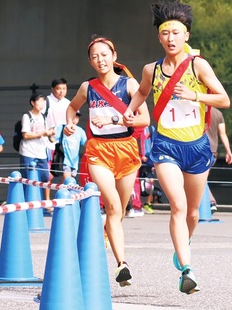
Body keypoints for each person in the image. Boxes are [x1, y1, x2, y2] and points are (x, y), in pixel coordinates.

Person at [123, 1, 230, 294]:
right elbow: (143, 92)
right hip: (166, 145)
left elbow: (224, 100)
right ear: (159, 37)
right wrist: (131, 110)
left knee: (193, 213)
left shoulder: (198, 65)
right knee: (178, 206)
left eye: (176, 32)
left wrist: (196, 95)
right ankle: (187, 270)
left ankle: (183, 243)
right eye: (165, 32)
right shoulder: (151, 70)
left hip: (197, 147)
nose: (171, 38)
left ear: (187, 36)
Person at [64, 35, 150, 287]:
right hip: (99, 151)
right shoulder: (86, 87)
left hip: (126, 149)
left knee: (120, 211)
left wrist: (120, 120)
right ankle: (122, 264)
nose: (100, 59)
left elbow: (145, 119)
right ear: (90, 61)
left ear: (114, 56)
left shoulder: (130, 85)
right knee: (112, 206)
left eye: (104, 54)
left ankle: (105, 235)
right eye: (94, 56)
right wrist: (70, 124)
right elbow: (72, 108)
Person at [19, 93, 56, 198]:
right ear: (32, 103)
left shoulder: (43, 116)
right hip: (28, 152)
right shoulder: (27, 116)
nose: (42, 104)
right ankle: (27, 202)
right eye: (39, 101)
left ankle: (37, 201)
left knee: (44, 176)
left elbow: (47, 133)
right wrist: (43, 133)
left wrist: (51, 135)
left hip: (41, 153)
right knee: (28, 179)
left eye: (44, 101)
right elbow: (25, 135)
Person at [43, 78, 71, 203]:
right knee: (48, 174)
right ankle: (47, 201)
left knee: (66, 172)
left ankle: (60, 198)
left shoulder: (68, 103)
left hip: (64, 142)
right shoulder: (46, 102)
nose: (61, 91)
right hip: (49, 142)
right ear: (52, 89)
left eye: (64, 88)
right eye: (58, 88)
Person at [206, 107, 232, 211]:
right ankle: (207, 203)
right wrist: (228, 151)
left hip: (199, 149)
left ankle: (211, 201)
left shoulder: (197, 108)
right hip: (212, 150)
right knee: (202, 178)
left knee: (200, 179)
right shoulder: (218, 113)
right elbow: (222, 133)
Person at [55, 110, 87, 182]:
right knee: (68, 181)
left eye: (76, 117)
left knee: (67, 183)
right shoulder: (63, 127)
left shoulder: (80, 131)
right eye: (72, 117)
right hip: (64, 160)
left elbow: (86, 144)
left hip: (74, 162)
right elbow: (53, 139)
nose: (74, 119)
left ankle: (60, 192)